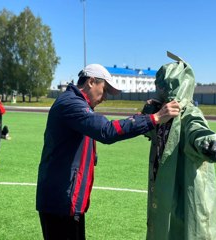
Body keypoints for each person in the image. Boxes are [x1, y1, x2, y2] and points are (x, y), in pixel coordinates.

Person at [35, 63, 180, 239]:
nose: (105, 97)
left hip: (66, 200)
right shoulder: (71, 104)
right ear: (91, 82)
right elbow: (106, 131)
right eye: (104, 90)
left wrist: (142, 118)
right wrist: (154, 118)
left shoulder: (77, 104)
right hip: (60, 202)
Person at [142, 53, 216, 240]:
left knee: (186, 229)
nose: (159, 90)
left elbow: (197, 129)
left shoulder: (187, 112)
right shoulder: (162, 113)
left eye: (162, 85)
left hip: (184, 187)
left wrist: (210, 144)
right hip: (164, 188)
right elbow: (150, 130)